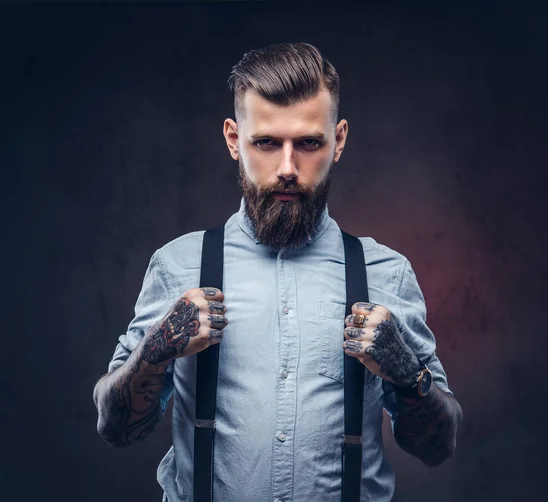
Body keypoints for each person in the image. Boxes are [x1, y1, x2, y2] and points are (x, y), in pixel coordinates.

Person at [93, 41, 463, 502]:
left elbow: (438, 445)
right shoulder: (176, 267)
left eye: (309, 143)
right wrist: (154, 351)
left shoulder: (386, 274)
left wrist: (408, 373)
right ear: (233, 140)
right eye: (266, 142)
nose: (287, 168)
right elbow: (115, 428)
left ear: (339, 140)